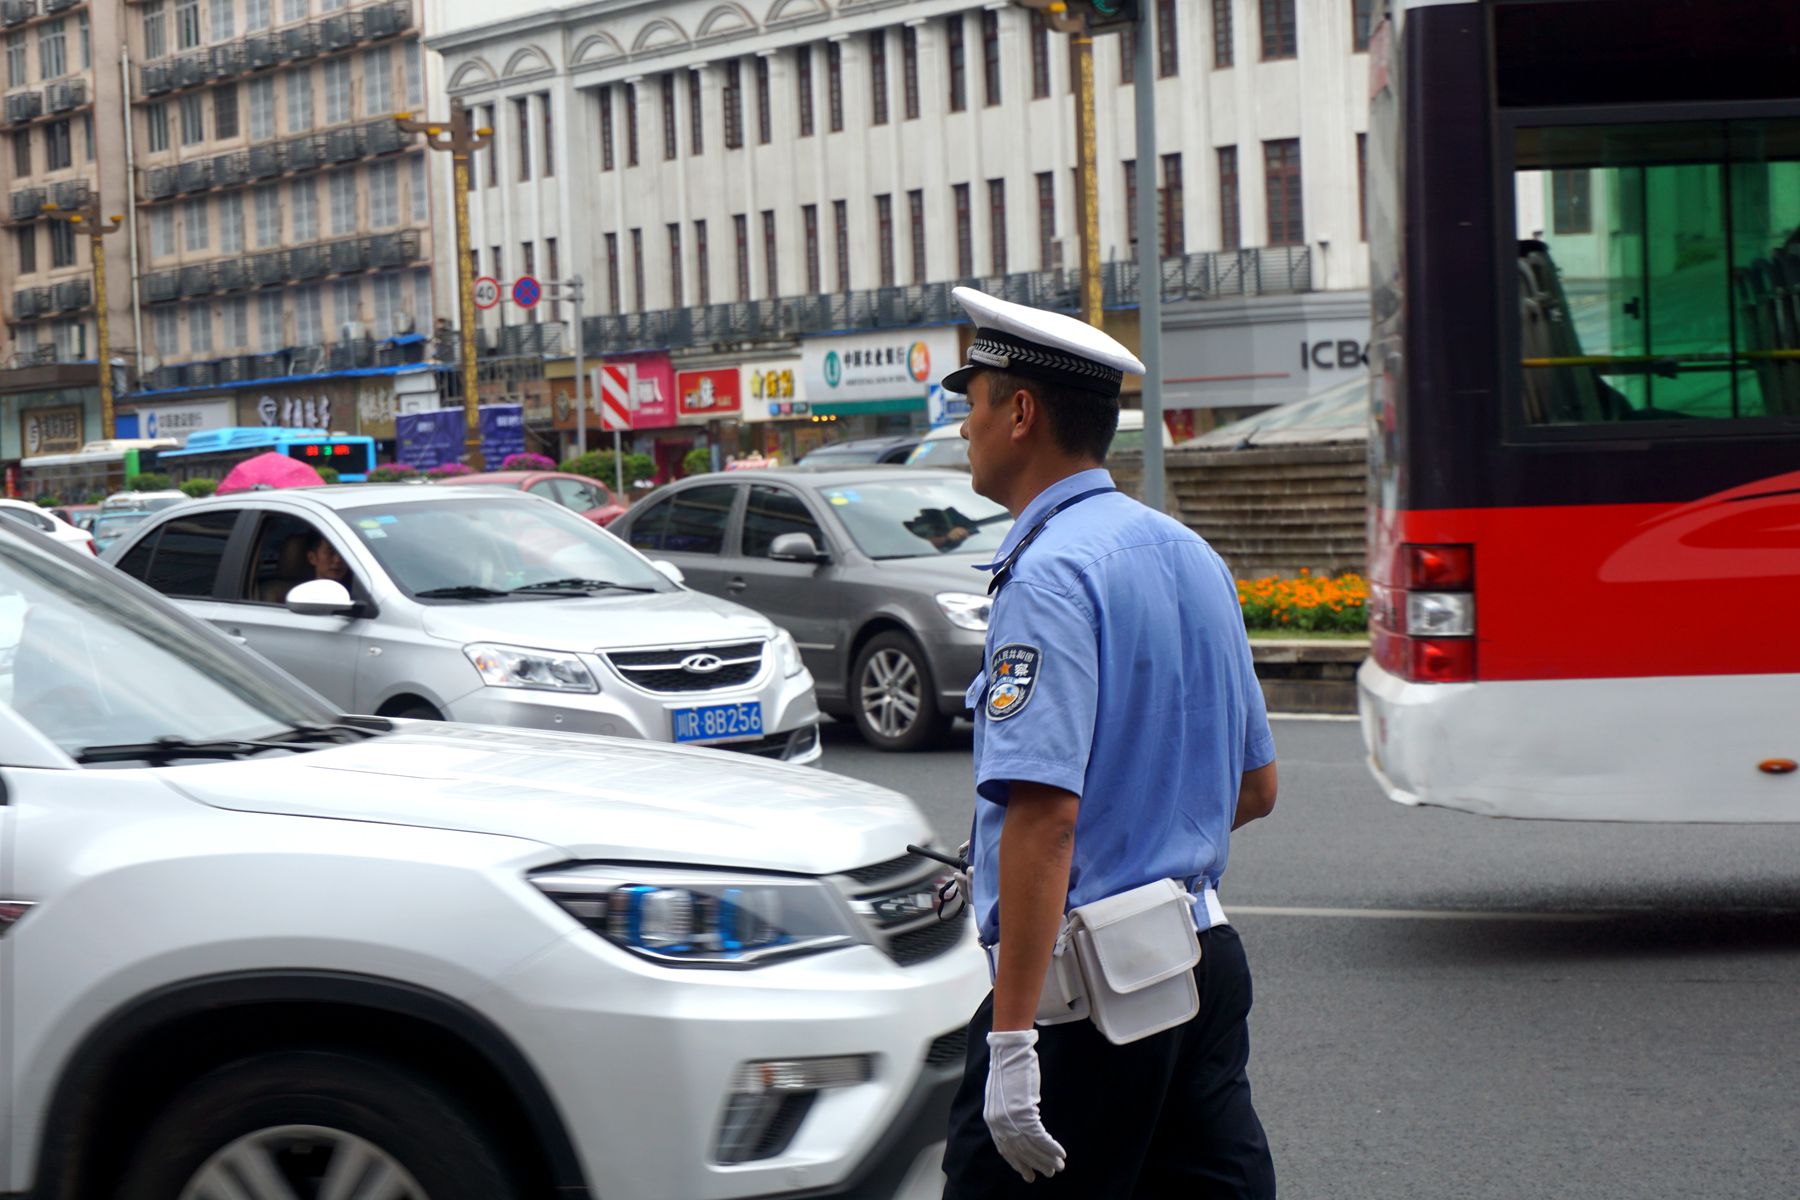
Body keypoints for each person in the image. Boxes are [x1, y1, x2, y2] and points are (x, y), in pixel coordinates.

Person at [939, 286, 1279, 1199]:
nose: (962, 427)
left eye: (970, 402)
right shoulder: (1187, 553)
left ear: (1020, 412)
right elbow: (1255, 786)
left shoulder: (1048, 574)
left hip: (1090, 1003)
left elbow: (1045, 821)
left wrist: (1012, 1044)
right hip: (1203, 966)